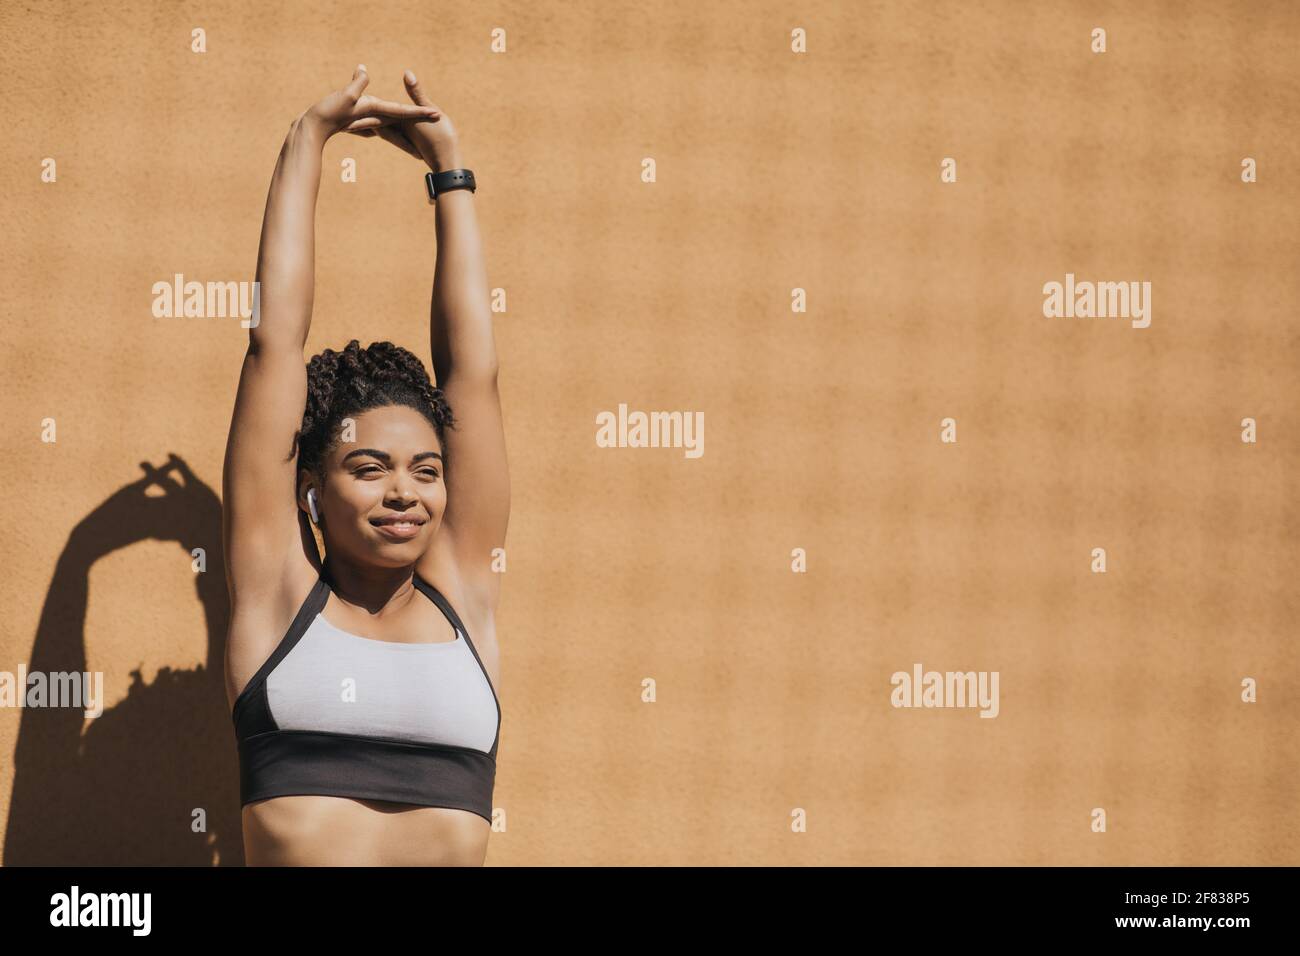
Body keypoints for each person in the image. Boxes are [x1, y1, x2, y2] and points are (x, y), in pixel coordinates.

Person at [222, 65, 509, 866]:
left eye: (426, 470)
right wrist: (306, 140)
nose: (404, 493)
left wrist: (449, 173)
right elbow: (273, 343)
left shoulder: (464, 591)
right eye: (370, 467)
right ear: (310, 490)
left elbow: (473, 377)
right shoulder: (276, 594)